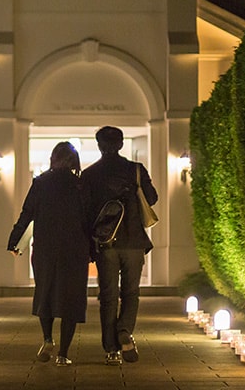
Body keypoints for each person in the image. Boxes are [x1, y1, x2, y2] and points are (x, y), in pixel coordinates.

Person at [7, 141, 90, 366]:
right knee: (70, 299)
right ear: (74, 161)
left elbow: (27, 214)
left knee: (45, 292)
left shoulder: (41, 183)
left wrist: (14, 242)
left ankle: (47, 338)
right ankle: (63, 354)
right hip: (74, 250)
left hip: (45, 249)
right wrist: (92, 249)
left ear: (54, 159)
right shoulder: (80, 185)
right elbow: (88, 220)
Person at [80, 125, 158, 365]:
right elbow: (152, 198)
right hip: (134, 241)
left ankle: (111, 350)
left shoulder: (90, 174)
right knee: (131, 292)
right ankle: (124, 330)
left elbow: (84, 213)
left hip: (106, 244)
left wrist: (88, 247)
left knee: (108, 296)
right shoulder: (135, 170)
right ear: (121, 145)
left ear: (99, 145)